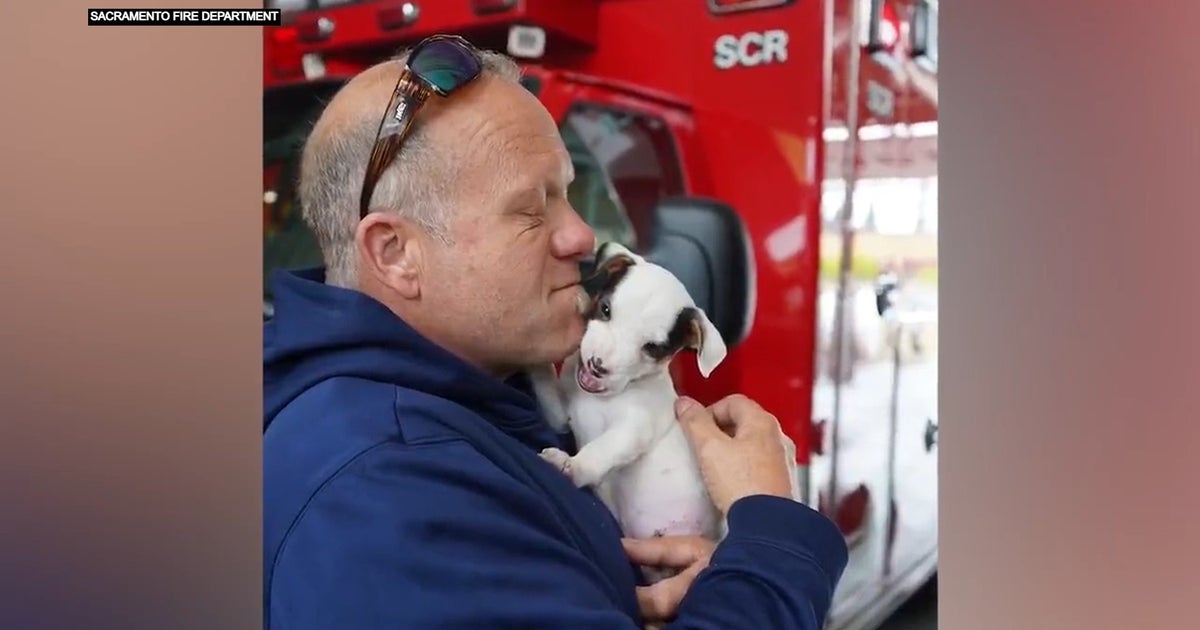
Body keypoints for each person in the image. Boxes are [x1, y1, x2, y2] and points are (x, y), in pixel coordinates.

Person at [263, 35, 848, 629]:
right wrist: (773, 539)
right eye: (530, 209)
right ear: (395, 255)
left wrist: (686, 593)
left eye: (567, 193)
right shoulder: (384, 495)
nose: (582, 237)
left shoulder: (475, 397)